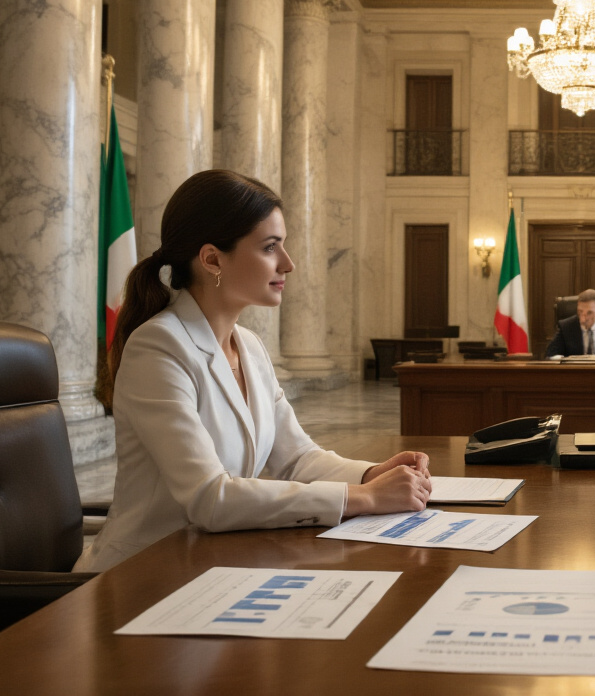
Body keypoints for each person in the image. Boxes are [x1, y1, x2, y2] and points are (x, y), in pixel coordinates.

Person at [76, 170, 432, 573]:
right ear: (212, 259)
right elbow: (209, 499)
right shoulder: (157, 347)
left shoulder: (249, 346)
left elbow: (296, 459)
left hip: (212, 563)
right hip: (142, 575)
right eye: (270, 247)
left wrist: (372, 473)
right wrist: (363, 497)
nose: (288, 263)